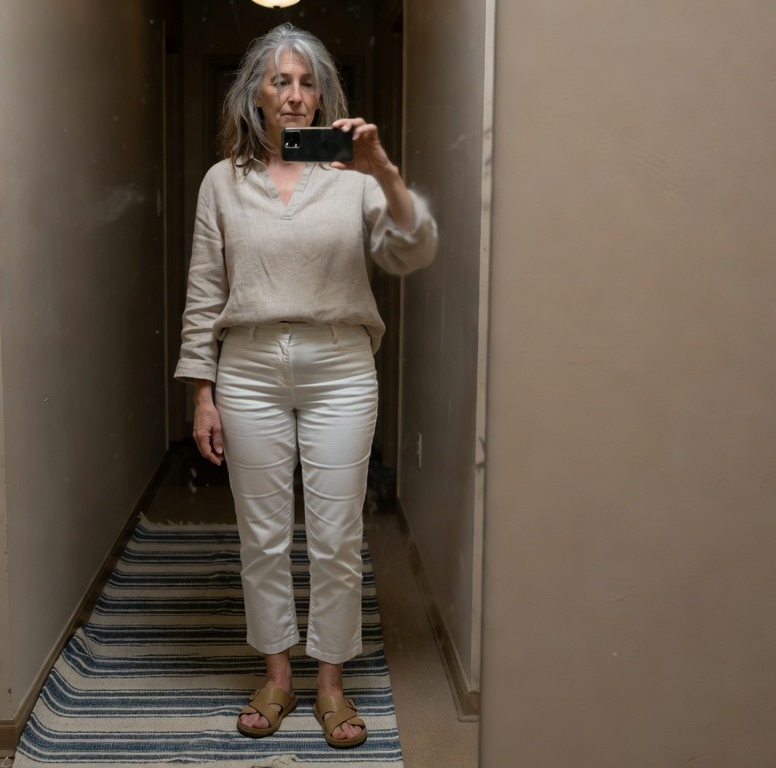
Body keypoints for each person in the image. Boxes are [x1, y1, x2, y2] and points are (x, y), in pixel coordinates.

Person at [173, 22, 436, 749]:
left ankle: (329, 683)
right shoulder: (222, 182)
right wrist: (202, 390)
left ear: (324, 96)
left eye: (307, 82)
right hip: (249, 368)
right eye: (279, 81)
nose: (294, 96)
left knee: (336, 535)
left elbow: (413, 248)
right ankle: (277, 674)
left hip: (340, 365)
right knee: (260, 534)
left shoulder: (352, 179)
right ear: (254, 93)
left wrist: (381, 167)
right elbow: (203, 291)